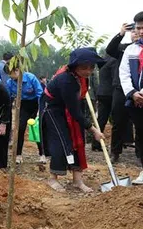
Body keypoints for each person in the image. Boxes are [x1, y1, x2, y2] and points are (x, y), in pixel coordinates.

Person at [41, 47, 105, 192]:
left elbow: (76, 105)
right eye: (84, 68)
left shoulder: (81, 77)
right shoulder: (66, 80)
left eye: (91, 67)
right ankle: (53, 178)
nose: (88, 71)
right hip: (53, 110)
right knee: (62, 141)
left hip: (70, 108)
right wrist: (93, 130)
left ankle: (77, 180)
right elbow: (74, 111)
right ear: (75, 66)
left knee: (78, 140)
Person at [107, 22, 139, 162]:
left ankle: (140, 154)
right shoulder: (124, 49)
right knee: (118, 122)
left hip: (140, 91)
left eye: (139, 30)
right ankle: (115, 152)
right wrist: (121, 33)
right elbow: (110, 49)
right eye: (134, 31)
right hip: (121, 90)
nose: (137, 33)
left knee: (140, 123)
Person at [5, 63, 45, 164]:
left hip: (35, 104)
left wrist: (40, 111)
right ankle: (18, 155)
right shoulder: (10, 82)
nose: (10, 76)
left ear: (17, 70)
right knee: (20, 128)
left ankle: (42, 154)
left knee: (36, 129)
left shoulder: (31, 78)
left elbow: (40, 94)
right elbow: (9, 97)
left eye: (11, 73)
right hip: (22, 106)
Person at [120, 12, 143, 184]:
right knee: (141, 134)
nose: (140, 31)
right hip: (135, 100)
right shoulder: (131, 49)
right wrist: (133, 93)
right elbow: (124, 73)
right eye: (138, 28)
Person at [94, 55, 117, 152]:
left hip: (102, 92)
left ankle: (96, 144)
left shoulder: (103, 60)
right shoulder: (114, 60)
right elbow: (114, 78)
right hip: (111, 92)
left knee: (101, 119)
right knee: (116, 119)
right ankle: (115, 147)